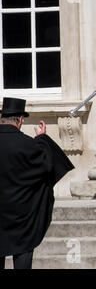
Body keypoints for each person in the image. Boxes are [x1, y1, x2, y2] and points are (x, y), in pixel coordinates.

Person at [0, 97, 74, 269]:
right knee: (24, 254)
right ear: (19, 120)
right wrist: (42, 138)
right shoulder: (29, 145)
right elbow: (49, 166)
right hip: (23, 216)